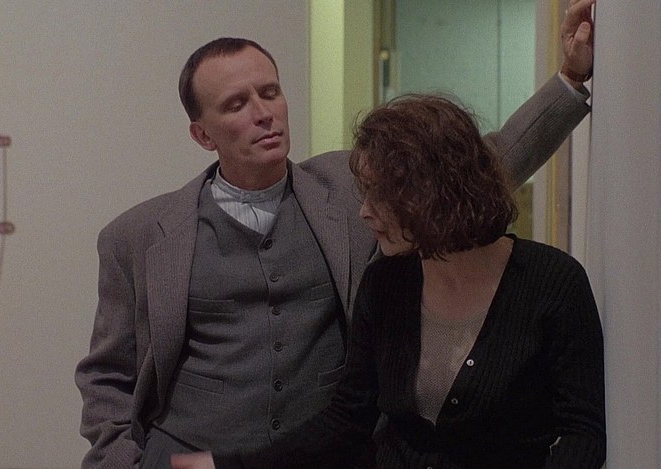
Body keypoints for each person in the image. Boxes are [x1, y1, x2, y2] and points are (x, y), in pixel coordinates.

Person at [74, 0, 597, 467]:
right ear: (202, 134)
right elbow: (107, 379)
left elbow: (474, 168)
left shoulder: (353, 190)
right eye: (236, 104)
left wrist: (571, 78)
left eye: (270, 93)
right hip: (191, 457)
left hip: (325, 455)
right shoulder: (138, 237)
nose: (263, 114)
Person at [175, 93, 605, 469]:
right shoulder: (386, 283)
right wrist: (231, 465)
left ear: (436, 192)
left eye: (382, 194)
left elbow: (583, 434)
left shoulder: (553, 282)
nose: (365, 211)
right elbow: (347, 419)